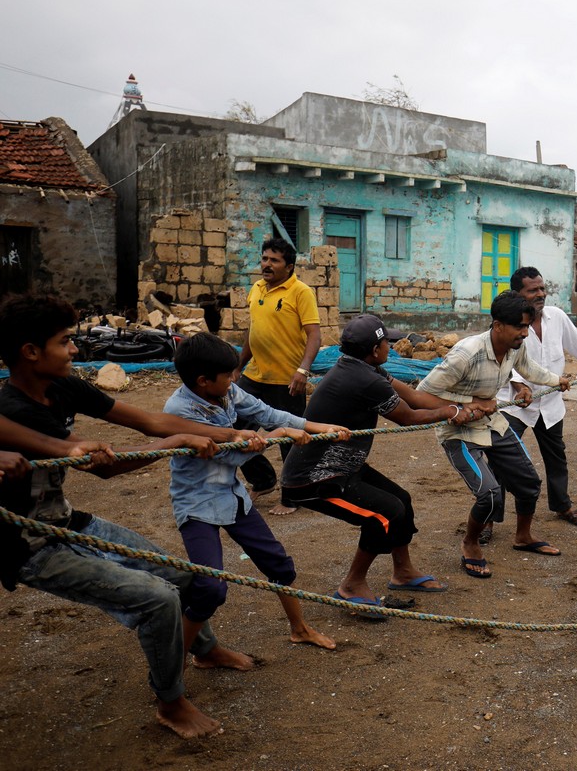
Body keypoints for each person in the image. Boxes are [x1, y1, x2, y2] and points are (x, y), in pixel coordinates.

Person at [0, 294, 268, 739]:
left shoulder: (61, 386)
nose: (74, 350)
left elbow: (149, 421)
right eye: (65, 341)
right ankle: (171, 702)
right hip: (27, 545)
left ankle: (205, 650)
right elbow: (111, 469)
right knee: (157, 599)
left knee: (185, 579)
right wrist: (171, 443)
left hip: (65, 521)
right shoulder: (12, 410)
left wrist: (230, 434)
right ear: (31, 352)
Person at [165, 333, 348, 647]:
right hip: (197, 503)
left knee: (279, 565)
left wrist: (319, 428)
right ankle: (177, 668)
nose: (235, 379)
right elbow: (232, 454)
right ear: (203, 381)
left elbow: (269, 414)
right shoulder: (180, 412)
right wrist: (279, 435)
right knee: (210, 589)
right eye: (228, 375)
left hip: (231, 494)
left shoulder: (228, 391)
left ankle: (299, 629)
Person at [283, 315, 470, 603]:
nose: (390, 348)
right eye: (387, 343)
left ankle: (403, 572)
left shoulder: (362, 368)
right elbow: (408, 417)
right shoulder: (365, 379)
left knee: (401, 500)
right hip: (315, 479)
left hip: (345, 468)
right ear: (374, 349)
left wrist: (464, 406)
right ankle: (352, 584)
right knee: (384, 514)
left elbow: (413, 397)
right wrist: (449, 413)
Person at [418, 293, 572, 578]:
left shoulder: (515, 347)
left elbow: (529, 369)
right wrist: (465, 404)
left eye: (528, 326)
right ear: (498, 325)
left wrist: (556, 380)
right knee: (489, 494)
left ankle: (523, 537)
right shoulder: (466, 353)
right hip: (458, 431)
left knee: (529, 482)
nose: (525, 333)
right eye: (520, 327)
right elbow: (422, 394)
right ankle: (470, 544)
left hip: (492, 422)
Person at [493, 267, 577, 539]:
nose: (541, 294)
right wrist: (518, 384)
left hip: (550, 404)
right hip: (514, 405)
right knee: (500, 461)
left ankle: (562, 505)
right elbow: (499, 357)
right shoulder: (507, 322)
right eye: (533, 290)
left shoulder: (556, 317)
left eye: (542, 288)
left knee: (556, 457)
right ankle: (489, 518)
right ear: (517, 294)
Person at [234, 237, 321, 516]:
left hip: (288, 381)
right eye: (264, 259)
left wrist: (302, 371)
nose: (267, 265)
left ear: (289, 266)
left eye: (274, 260)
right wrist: (237, 366)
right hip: (254, 377)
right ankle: (263, 480)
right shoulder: (257, 288)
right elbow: (253, 331)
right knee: (232, 430)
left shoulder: (301, 292)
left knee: (291, 440)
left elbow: (314, 336)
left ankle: (293, 497)